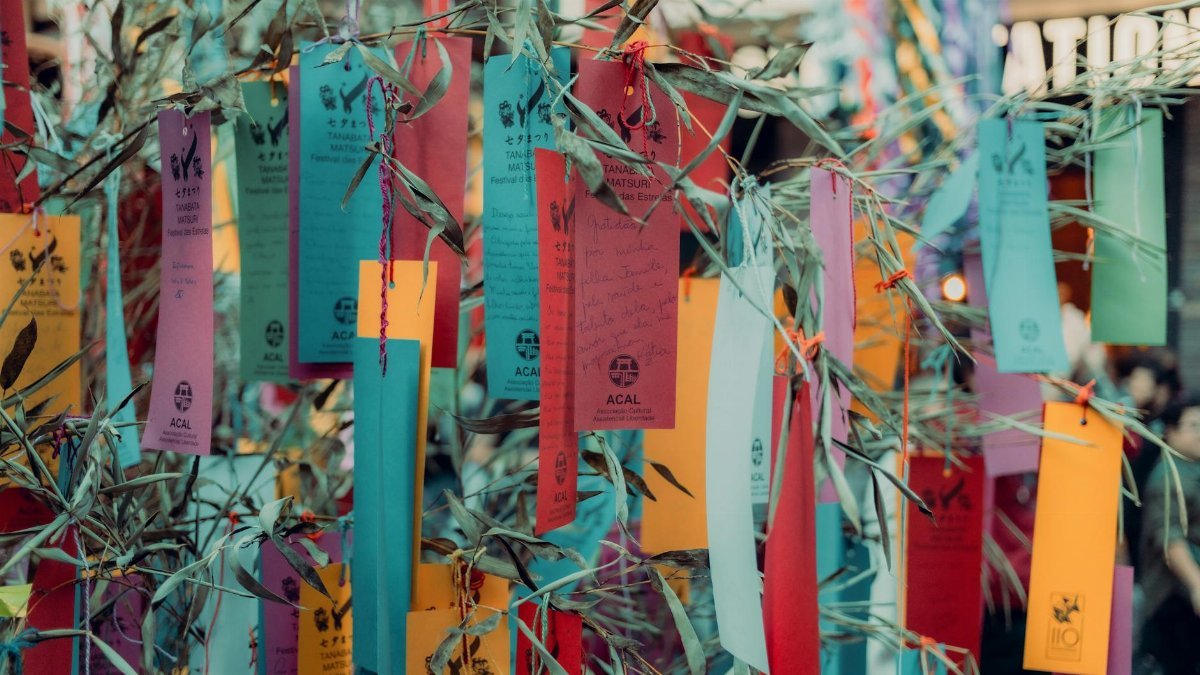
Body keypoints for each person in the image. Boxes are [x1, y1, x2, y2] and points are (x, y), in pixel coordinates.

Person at [1137, 393, 1200, 674]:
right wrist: (1196, 584)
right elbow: (1169, 538)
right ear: (1170, 431)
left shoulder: (1190, 469)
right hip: (1172, 596)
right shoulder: (1167, 476)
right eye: (1194, 426)